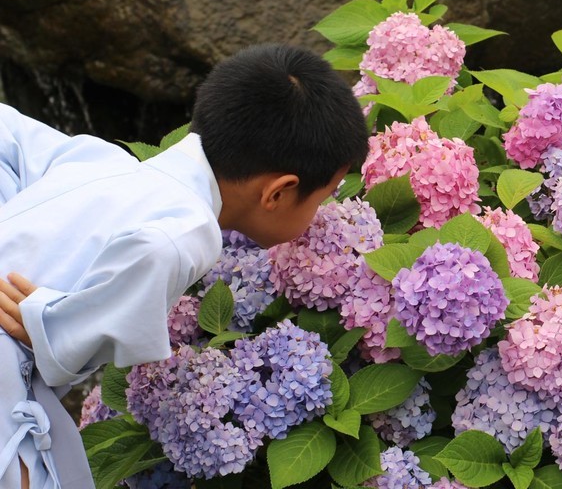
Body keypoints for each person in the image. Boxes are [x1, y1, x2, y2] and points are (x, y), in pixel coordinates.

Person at [0, 44, 368, 489]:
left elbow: (11, 136)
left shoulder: (97, 161)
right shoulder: (188, 229)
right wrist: (50, 323)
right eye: (323, 196)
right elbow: (159, 251)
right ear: (278, 193)